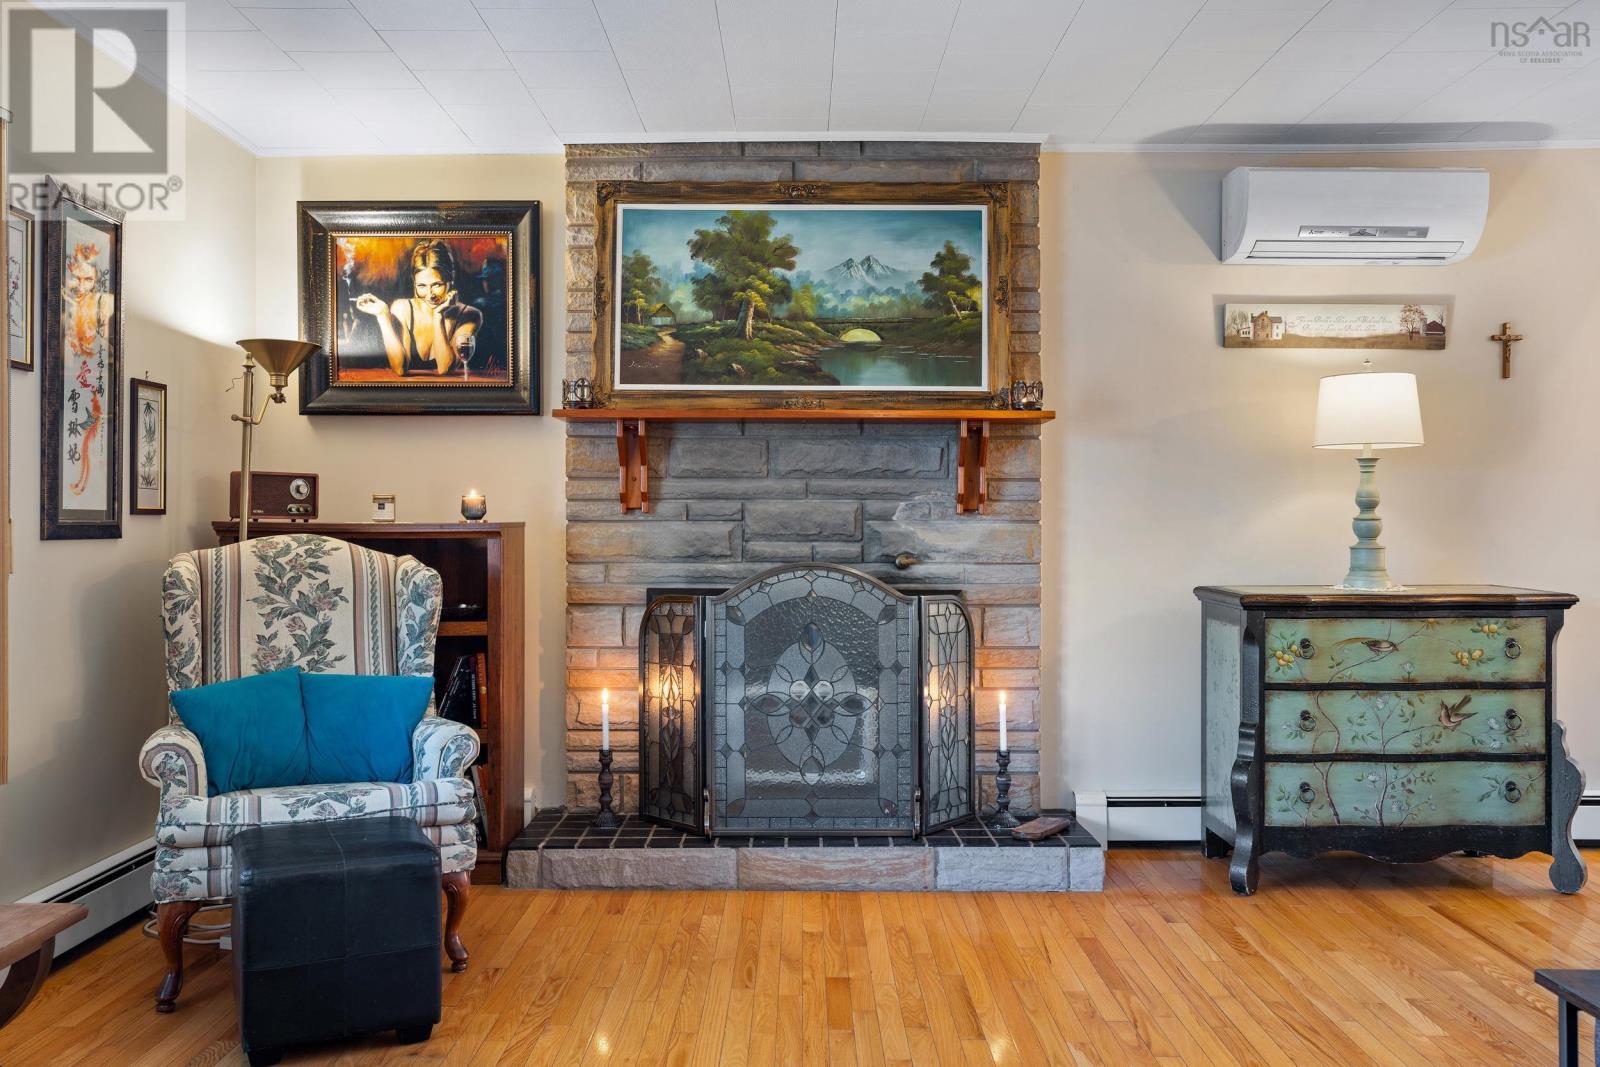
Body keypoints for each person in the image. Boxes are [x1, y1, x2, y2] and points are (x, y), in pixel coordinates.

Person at [354, 240, 482, 377]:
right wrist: (383, 316)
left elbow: (444, 368)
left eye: (437, 285)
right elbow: (399, 369)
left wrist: (438, 316)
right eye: (422, 286)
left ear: (451, 278)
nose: (430, 294)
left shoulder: (469, 315)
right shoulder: (402, 308)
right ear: (414, 283)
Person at [63, 240, 114, 498]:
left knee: (88, 437)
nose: (81, 286)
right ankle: (80, 482)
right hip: (76, 384)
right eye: (77, 279)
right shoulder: (66, 308)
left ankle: (83, 483)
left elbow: (103, 346)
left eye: (88, 279)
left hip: (91, 386)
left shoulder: (104, 303)